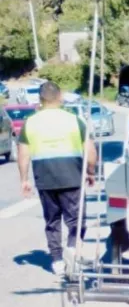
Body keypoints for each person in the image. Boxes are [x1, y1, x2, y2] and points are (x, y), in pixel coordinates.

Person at [18, 82, 97, 278]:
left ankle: (57, 261)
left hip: (45, 179)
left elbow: (23, 154)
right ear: (60, 97)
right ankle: (72, 249)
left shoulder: (30, 123)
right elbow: (90, 150)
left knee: (52, 221)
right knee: (76, 220)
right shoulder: (74, 120)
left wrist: (24, 180)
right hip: (72, 177)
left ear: (40, 99)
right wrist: (90, 171)